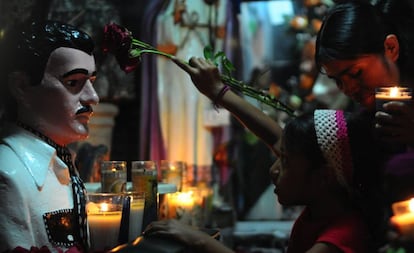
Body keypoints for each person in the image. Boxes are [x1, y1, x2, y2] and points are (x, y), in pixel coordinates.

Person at [143, 57, 385, 253]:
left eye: (286, 162)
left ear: (323, 176)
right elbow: (273, 135)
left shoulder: (339, 238)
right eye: (280, 157)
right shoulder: (326, 208)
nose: (274, 169)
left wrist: (200, 241)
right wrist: (216, 90)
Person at [0, 20, 99, 252]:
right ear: (21, 87)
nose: (93, 97)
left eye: (91, 82)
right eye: (73, 82)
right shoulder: (9, 175)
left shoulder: (61, 164)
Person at [314, 0, 414, 147]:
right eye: (338, 81)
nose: (348, 89)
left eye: (356, 73)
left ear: (390, 48)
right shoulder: (363, 123)